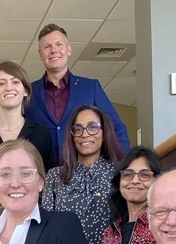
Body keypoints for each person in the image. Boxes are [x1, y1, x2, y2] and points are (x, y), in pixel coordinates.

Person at [0, 60, 53, 238]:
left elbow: (49, 186)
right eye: (1, 83)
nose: (8, 87)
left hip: (34, 225)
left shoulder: (42, 134)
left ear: (26, 90)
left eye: (15, 82)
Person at [29, 23, 129, 165]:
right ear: (40, 54)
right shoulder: (29, 92)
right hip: (43, 173)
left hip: (85, 171)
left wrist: (123, 166)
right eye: (47, 47)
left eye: (59, 44)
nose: (54, 50)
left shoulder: (90, 87)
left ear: (69, 50)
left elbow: (116, 128)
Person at [42, 105, 125, 244]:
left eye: (92, 127)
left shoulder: (120, 173)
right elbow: (47, 229)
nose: (85, 134)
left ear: (104, 133)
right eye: (78, 129)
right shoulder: (55, 176)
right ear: (71, 136)